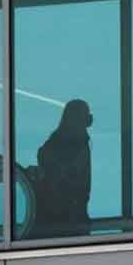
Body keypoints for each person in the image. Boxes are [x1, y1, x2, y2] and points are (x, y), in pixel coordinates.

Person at [32, 99, 93, 238]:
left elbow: (43, 154)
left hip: (67, 215)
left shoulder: (62, 139)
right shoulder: (76, 142)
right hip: (68, 217)